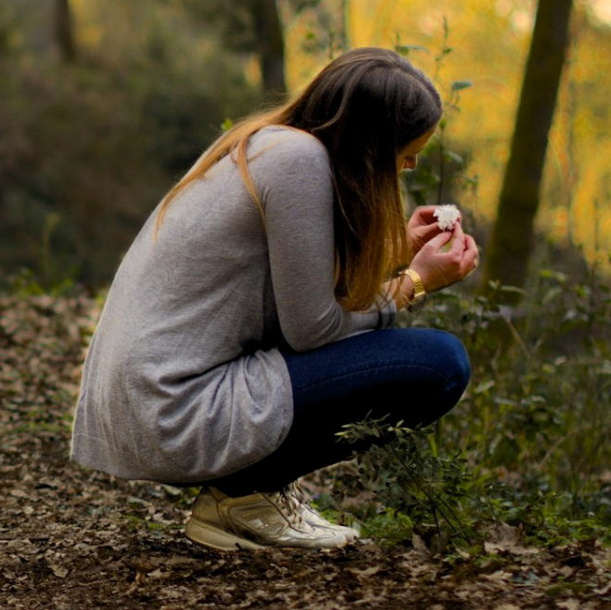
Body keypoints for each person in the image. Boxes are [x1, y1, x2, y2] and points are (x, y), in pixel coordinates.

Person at [69, 47, 480, 551]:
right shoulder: (297, 160)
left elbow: (296, 283)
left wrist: (397, 246)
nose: (412, 164)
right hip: (176, 407)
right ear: (370, 145)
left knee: (428, 358)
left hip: (149, 399)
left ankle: (247, 495)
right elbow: (312, 330)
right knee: (439, 365)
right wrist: (414, 284)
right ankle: (242, 497)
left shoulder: (267, 144)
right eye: (405, 152)